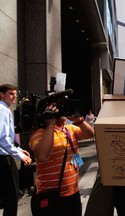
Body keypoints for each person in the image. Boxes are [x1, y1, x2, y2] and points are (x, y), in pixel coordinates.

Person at [29, 103, 94, 216]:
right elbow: (43, 155)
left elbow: (90, 134)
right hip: (51, 195)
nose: (63, 111)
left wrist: (80, 121)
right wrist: (50, 125)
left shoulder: (70, 129)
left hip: (72, 192)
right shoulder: (40, 133)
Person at [0, 83, 32, 216]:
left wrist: (18, 150)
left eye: (15, 94)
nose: (14, 97)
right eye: (11, 94)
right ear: (1, 94)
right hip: (3, 159)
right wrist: (19, 155)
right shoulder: (3, 110)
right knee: (12, 196)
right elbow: (2, 138)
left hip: (5, 156)